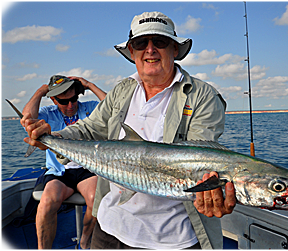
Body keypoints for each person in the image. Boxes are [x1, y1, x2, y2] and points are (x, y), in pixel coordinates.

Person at [21, 11, 236, 249]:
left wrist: (213, 190)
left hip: (172, 239)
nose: (150, 50)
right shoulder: (123, 89)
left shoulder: (202, 96)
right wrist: (53, 138)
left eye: (160, 42)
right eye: (141, 43)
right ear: (132, 52)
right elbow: (91, 128)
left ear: (175, 49)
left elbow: (199, 160)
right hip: (109, 226)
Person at [21, 75, 106, 249]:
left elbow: (115, 107)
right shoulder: (46, 115)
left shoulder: (90, 108)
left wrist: (89, 85)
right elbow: (26, 118)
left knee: (97, 200)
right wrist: (41, 91)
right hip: (59, 171)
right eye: (63, 101)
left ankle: (85, 240)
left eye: (73, 99)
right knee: (46, 203)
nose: (70, 105)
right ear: (53, 99)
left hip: (87, 169)